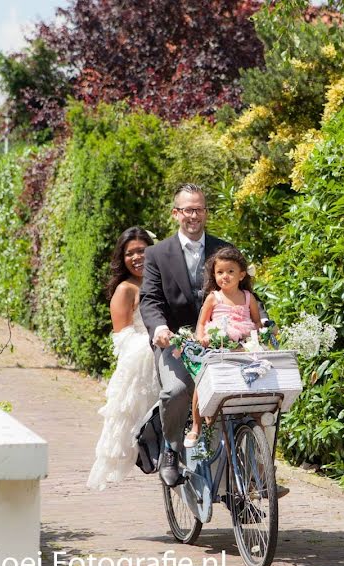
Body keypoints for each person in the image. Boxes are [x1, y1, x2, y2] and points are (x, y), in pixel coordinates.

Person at [139, 184, 231, 486]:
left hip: (218, 340)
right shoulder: (157, 254)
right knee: (177, 390)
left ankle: (248, 473)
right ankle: (171, 448)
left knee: (243, 396)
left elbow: (243, 292)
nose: (195, 215)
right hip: (176, 341)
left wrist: (263, 321)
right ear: (176, 213)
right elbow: (150, 299)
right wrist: (159, 328)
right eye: (188, 210)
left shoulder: (223, 249)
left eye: (200, 209)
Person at [86, 227, 159, 491]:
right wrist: (152, 343)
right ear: (123, 258)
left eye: (142, 250)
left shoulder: (159, 280)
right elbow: (123, 336)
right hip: (144, 354)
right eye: (130, 253)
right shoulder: (125, 290)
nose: (137, 257)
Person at [185, 247, 261, 446]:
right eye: (220, 272)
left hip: (242, 346)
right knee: (202, 379)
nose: (224, 276)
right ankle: (196, 425)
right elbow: (202, 322)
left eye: (230, 271)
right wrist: (201, 337)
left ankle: (254, 418)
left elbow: (256, 322)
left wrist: (260, 337)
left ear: (241, 274)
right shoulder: (214, 297)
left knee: (255, 376)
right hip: (217, 343)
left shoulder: (247, 297)